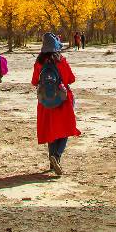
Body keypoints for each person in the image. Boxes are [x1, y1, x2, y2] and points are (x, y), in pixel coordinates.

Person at [33, 32, 80, 175]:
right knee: (65, 128)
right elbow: (71, 79)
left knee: (51, 130)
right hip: (63, 100)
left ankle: (52, 160)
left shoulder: (39, 62)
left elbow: (35, 81)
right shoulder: (61, 61)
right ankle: (58, 155)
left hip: (46, 102)